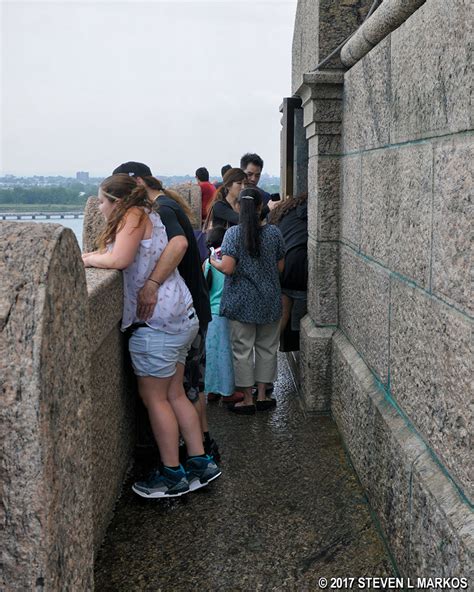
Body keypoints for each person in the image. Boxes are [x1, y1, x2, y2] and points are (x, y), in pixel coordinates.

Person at [82, 174, 220, 498]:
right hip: (180, 315)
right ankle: (200, 462)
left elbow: (119, 259)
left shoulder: (132, 216)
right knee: (174, 393)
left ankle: (172, 475)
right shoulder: (152, 213)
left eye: (102, 201)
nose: (100, 207)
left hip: (156, 322)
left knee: (155, 398)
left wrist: (87, 258)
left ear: (117, 201)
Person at [112, 162, 217, 460]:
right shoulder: (163, 207)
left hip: (173, 314)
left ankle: (187, 461)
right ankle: (200, 457)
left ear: (138, 182)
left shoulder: (163, 209)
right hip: (188, 309)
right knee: (183, 390)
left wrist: (151, 283)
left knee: (182, 390)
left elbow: (180, 243)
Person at [210, 188, 285, 414]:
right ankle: (263, 396)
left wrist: (213, 261)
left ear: (239, 208)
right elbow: (280, 267)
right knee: (267, 349)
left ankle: (247, 399)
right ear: (261, 208)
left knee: (242, 350)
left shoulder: (233, 234)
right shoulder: (274, 233)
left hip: (241, 302)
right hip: (270, 300)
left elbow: (228, 268)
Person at [269, 193, 308, 335]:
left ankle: (271, 346)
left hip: (282, 267)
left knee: (282, 315)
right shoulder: (310, 214)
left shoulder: (285, 214)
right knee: (305, 320)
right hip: (302, 268)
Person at [203, 226, 235, 400]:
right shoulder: (228, 263)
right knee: (226, 354)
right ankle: (227, 390)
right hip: (226, 314)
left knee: (210, 354)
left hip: (210, 315)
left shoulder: (208, 262)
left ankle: (211, 390)